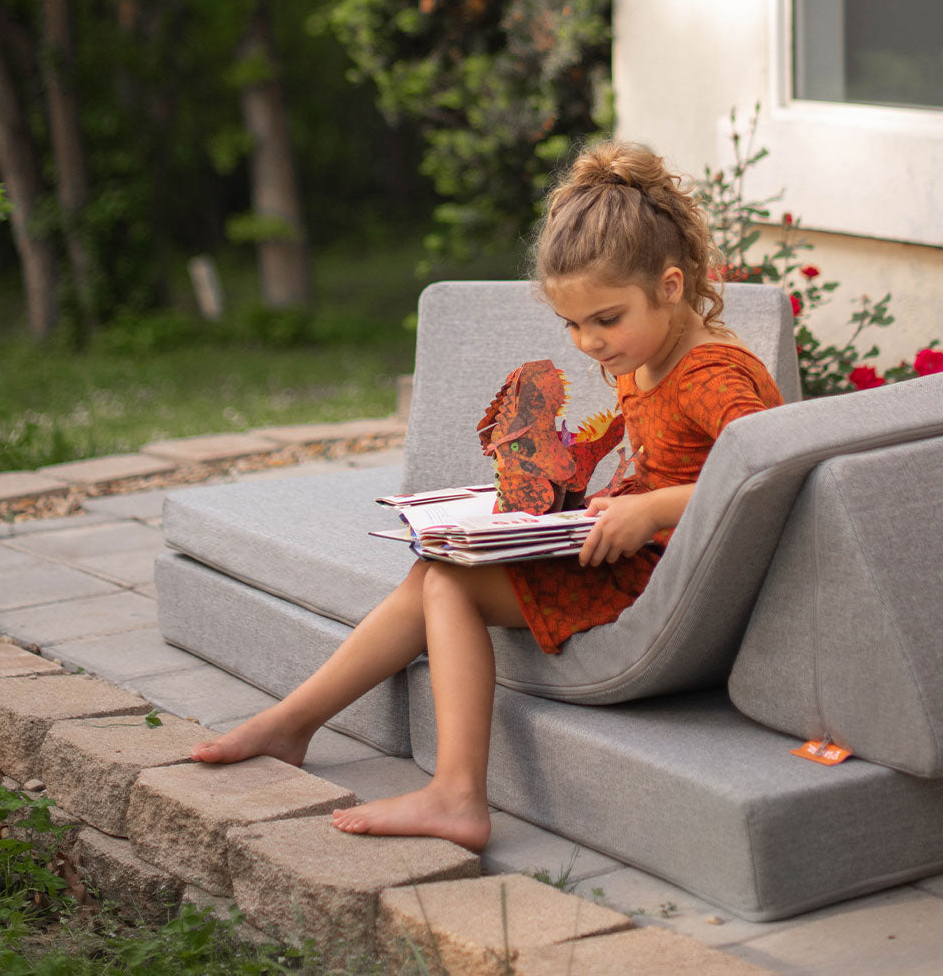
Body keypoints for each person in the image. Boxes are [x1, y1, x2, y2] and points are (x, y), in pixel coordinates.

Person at [189, 140, 785, 853]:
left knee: (451, 587)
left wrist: (650, 508)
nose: (589, 342)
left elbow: (771, 468)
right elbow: (658, 457)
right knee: (434, 568)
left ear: (671, 284)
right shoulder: (646, 353)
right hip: (626, 550)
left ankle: (457, 795)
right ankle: (292, 723)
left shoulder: (712, 373)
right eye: (572, 324)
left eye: (605, 318)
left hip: (669, 581)